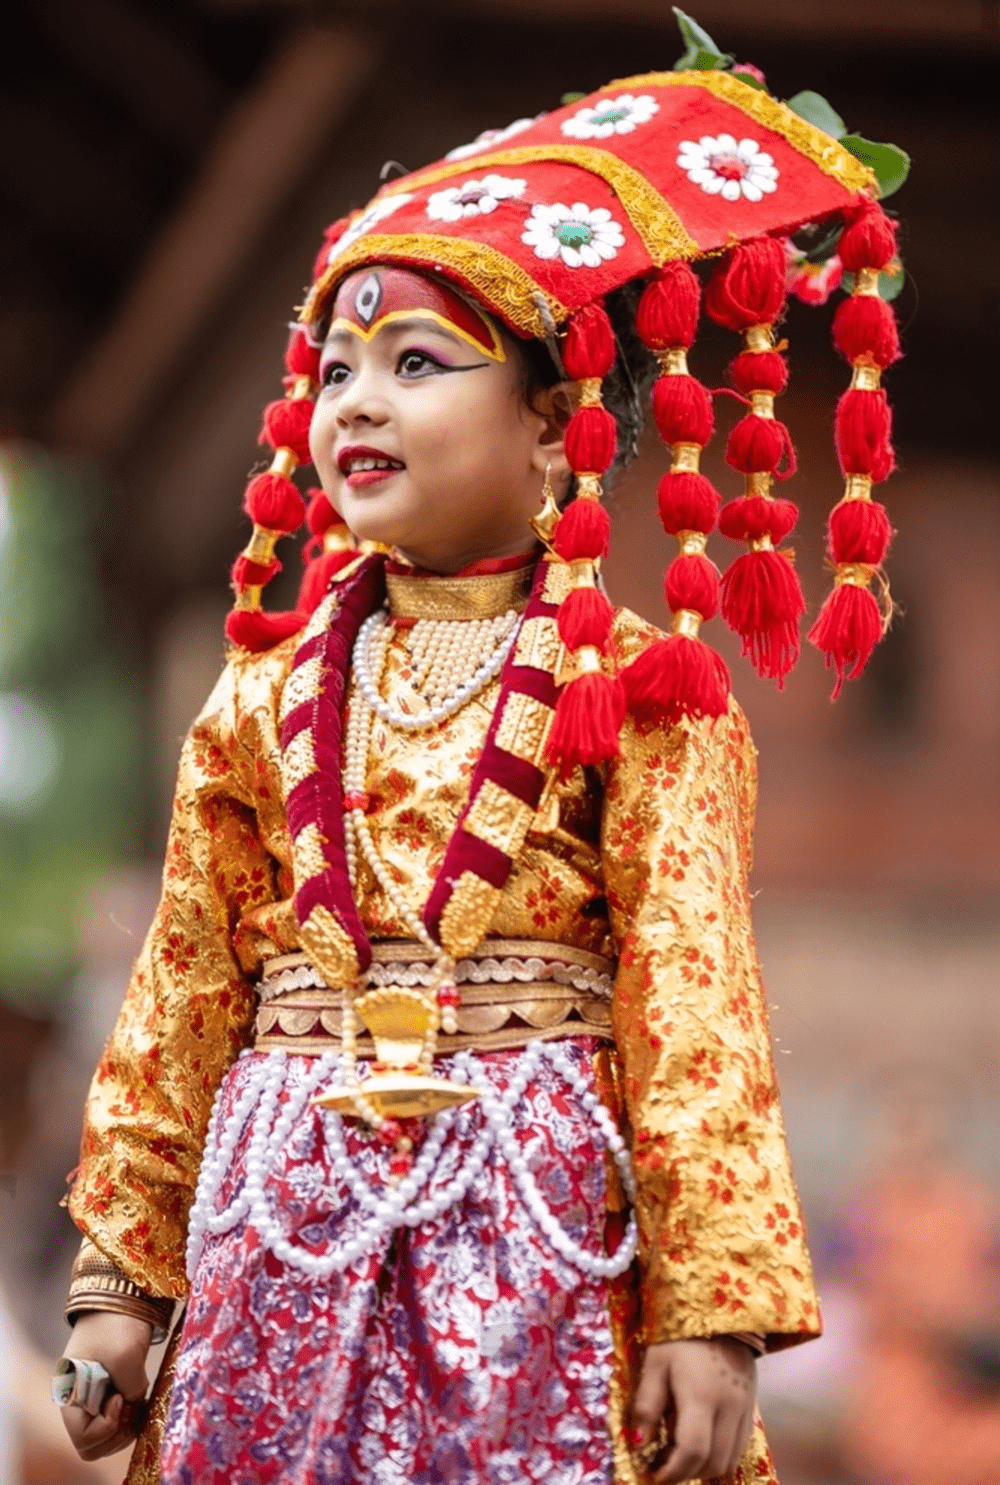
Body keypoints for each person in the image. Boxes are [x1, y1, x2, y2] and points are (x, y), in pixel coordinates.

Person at [54, 39, 907, 1485]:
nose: (356, 403)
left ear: (552, 434)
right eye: (336, 369)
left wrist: (712, 1311)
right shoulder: (255, 700)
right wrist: (119, 1285)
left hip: (536, 1223)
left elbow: (694, 998)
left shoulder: (648, 693)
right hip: (279, 1217)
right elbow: (182, 993)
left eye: (415, 364)